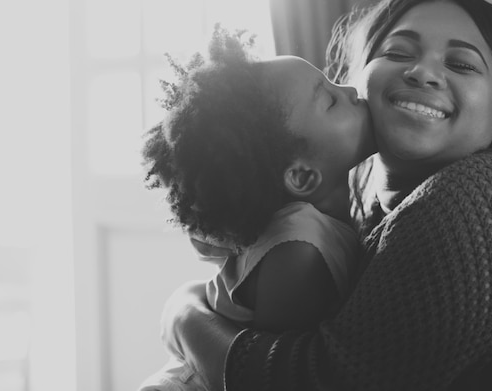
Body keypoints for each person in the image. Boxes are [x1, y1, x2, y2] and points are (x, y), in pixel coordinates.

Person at [158, 0, 492, 390]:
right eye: (398, 52)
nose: (424, 72)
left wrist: (184, 316)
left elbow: (319, 381)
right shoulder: (356, 203)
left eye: (462, 64)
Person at [138, 25, 375, 391]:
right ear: (301, 176)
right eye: (330, 100)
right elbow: (272, 376)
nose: (351, 90)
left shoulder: (320, 221)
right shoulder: (300, 249)